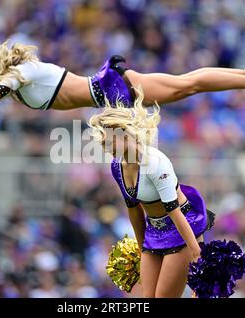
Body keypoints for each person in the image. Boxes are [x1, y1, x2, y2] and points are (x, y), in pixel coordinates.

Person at [88, 89, 215, 298]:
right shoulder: (117, 166)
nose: (106, 147)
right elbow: (134, 211)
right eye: (104, 143)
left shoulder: (155, 163)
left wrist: (197, 254)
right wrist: (141, 250)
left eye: (110, 141)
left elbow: (175, 213)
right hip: (153, 233)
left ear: (126, 134)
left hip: (181, 229)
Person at [0, 41, 245, 113]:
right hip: (113, 90)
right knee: (187, 84)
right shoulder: (16, 81)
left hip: (116, 88)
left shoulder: (20, 75)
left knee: (189, 84)